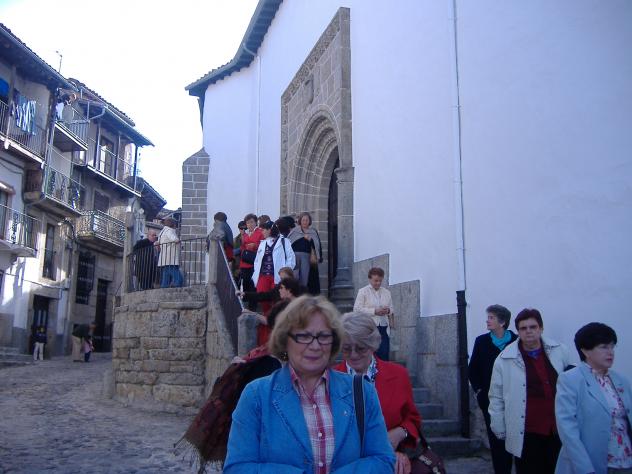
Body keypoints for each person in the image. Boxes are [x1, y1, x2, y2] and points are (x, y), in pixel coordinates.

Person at [223, 295, 396, 473]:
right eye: (304, 336)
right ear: (285, 340)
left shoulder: (362, 392)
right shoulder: (256, 396)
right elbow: (237, 468)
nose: (315, 346)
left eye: (323, 336)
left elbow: (383, 461)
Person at [333, 311, 423, 474]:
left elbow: (412, 419)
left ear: (372, 344)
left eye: (361, 348)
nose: (353, 355)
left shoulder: (398, 375)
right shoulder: (331, 380)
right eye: (346, 349)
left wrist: (400, 433)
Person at [489, 308, 573, 474]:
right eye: (523, 328)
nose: (528, 331)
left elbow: (570, 383)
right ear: (518, 331)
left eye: (533, 327)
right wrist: (499, 426)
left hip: (557, 428)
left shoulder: (559, 351)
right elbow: (496, 396)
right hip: (526, 430)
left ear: (541, 328)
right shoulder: (505, 359)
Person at [555, 323, 632, 474]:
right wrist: (585, 469)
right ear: (585, 350)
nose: (610, 352)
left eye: (612, 347)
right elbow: (568, 429)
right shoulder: (570, 380)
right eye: (604, 347)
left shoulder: (621, 380)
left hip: (625, 460)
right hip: (593, 462)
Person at [468, 304, 517, 474]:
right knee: (496, 439)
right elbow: (472, 369)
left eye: (491, 318)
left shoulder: (516, 342)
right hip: (490, 399)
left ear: (502, 322)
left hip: (514, 398)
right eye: (488, 317)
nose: (487, 321)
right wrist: (479, 392)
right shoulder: (481, 341)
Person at [252, 219, 296, 317]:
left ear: (270, 230)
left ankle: (276, 319)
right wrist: (256, 272)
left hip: (278, 276)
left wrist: (286, 272)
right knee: (263, 299)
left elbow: (291, 258)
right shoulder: (263, 243)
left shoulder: (284, 242)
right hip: (263, 276)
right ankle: (267, 318)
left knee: (277, 300)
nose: (262, 232)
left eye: (264, 230)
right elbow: (257, 260)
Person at [353, 267, 394, 361]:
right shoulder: (363, 291)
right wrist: (374, 311)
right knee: (370, 356)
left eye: (380, 280)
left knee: (384, 355)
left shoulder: (387, 292)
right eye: (376, 280)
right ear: (370, 279)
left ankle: (383, 371)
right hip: (369, 329)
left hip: (383, 328)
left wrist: (387, 311)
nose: (378, 283)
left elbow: (392, 309)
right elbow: (357, 309)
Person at [288, 212, 322, 293]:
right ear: (300, 221)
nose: (305, 222)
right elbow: (289, 243)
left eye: (307, 220)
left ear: (309, 221)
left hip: (306, 257)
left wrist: (310, 240)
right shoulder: (294, 231)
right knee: (295, 277)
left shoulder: (313, 232)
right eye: (303, 220)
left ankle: (302, 294)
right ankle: (294, 294)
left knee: (305, 278)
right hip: (295, 257)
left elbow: (317, 245)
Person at [239, 213, 264, 311]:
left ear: (256, 222)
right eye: (248, 223)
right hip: (245, 262)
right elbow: (242, 247)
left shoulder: (260, 232)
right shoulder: (245, 234)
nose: (250, 224)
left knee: (253, 284)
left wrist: (255, 246)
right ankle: (244, 303)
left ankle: (252, 306)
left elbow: (263, 245)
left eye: (252, 222)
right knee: (245, 282)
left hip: (255, 262)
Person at [156, 217, 182, 288]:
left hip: (164, 257)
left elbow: (158, 242)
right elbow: (174, 239)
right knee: (177, 276)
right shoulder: (169, 230)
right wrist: (178, 240)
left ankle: (164, 287)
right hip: (170, 257)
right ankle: (178, 285)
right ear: (172, 224)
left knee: (166, 275)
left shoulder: (162, 231)